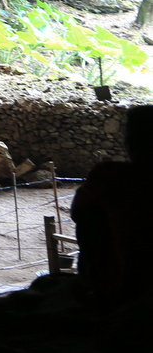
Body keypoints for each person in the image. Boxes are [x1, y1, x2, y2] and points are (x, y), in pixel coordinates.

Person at [71, 104, 153, 301]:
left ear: (130, 143)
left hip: (126, 284)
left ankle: (95, 284)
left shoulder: (109, 175)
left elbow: (77, 212)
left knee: (91, 214)